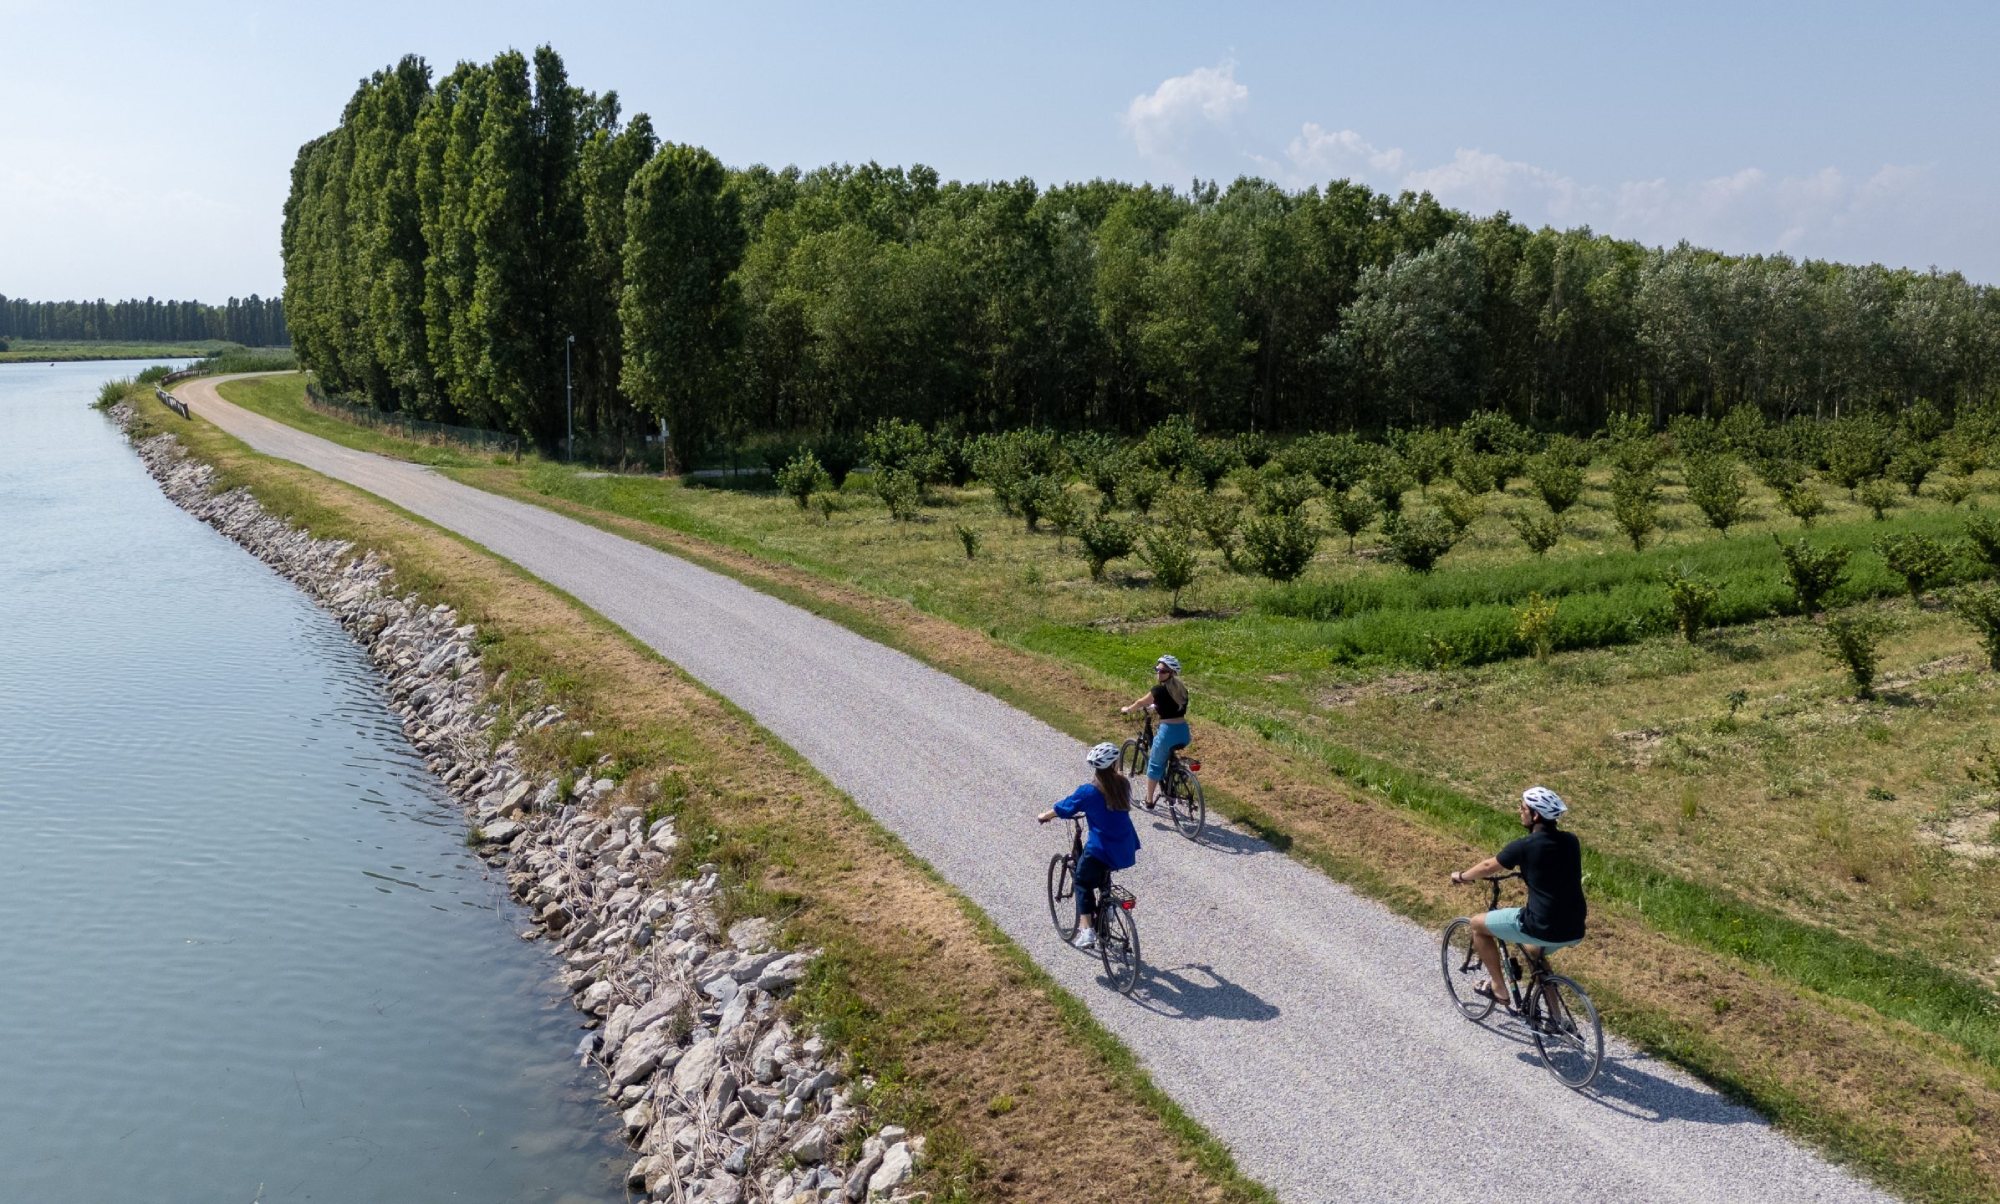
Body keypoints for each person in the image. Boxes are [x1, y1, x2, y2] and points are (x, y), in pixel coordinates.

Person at [1449, 786, 1587, 1008]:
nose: (1519, 811)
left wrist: (1463, 876)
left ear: (1535, 815)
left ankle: (1498, 988)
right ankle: (1557, 1020)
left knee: (1477, 925)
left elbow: (1487, 867)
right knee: (1534, 952)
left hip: (1540, 925)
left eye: (1523, 808)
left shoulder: (1524, 846)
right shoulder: (1572, 841)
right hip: (1574, 927)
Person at [1037, 742, 1141, 949]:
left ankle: (1087, 931)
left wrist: (1045, 816)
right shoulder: (1123, 785)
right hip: (1125, 847)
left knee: (1082, 881)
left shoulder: (1089, 792)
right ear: (1114, 764)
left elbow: (1066, 807)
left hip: (1101, 848)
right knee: (1103, 870)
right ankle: (1107, 904)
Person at [1120, 654, 1190, 810]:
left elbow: (1141, 702)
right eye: (1157, 669)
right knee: (1167, 755)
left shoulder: (1158, 690)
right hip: (1184, 732)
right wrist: (1156, 706)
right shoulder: (1182, 690)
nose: (1159, 673)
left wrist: (1128, 710)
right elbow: (1173, 706)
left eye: (1163, 671)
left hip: (1167, 733)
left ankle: (1149, 801)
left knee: (1154, 765)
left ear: (1171, 673)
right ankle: (1178, 774)